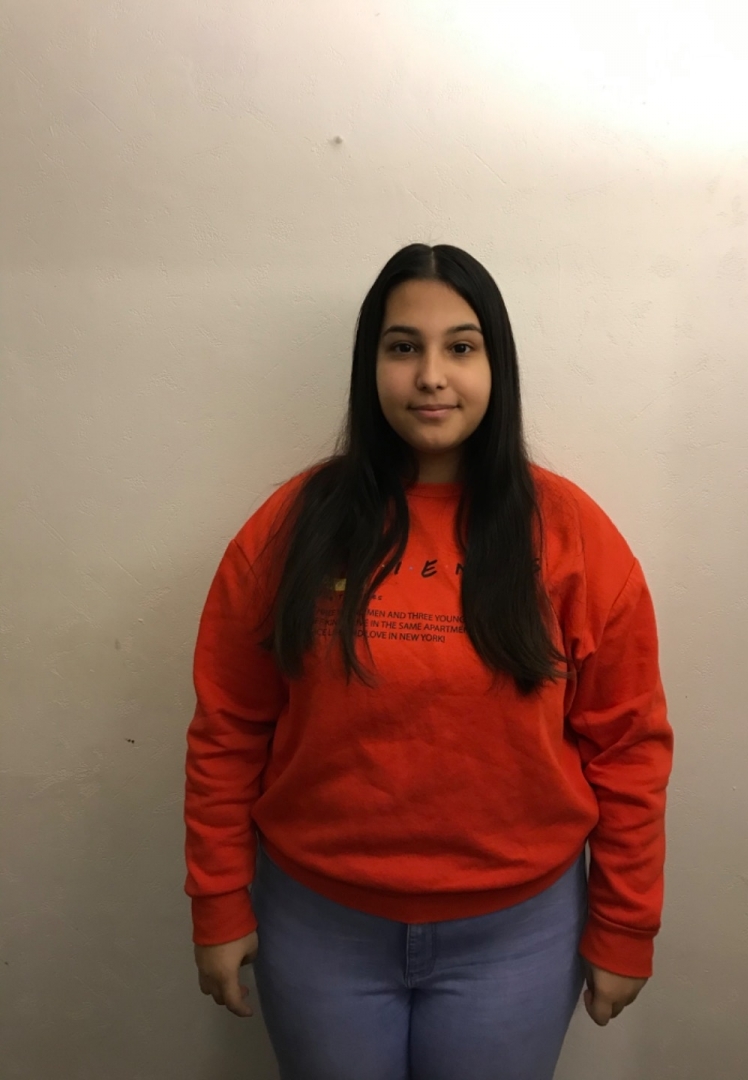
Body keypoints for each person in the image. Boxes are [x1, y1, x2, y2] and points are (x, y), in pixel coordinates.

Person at [184, 243, 673, 1080]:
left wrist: (626, 924)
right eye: (404, 346)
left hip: (519, 937)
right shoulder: (292, 527)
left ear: (496, 365)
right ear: (370, 364)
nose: (432, 376)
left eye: (462, 346)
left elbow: (629, 746)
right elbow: (228, 728)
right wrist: (219, 899)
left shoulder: (572, 535)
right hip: (319, 926)